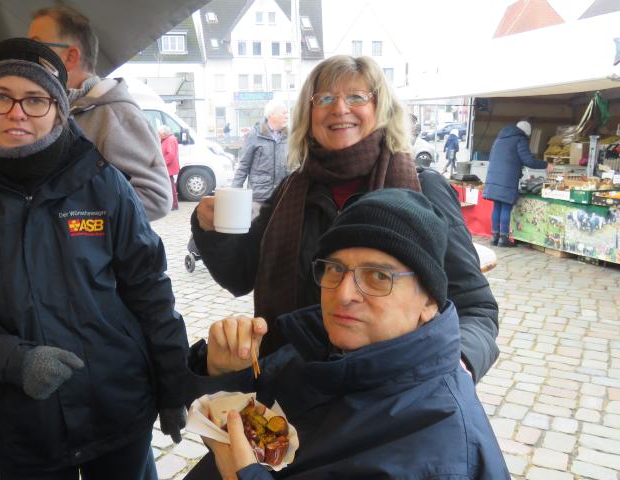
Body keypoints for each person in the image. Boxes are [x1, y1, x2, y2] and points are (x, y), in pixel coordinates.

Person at [0, 38, 189, 479]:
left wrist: (173, 386)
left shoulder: (103, 184)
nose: (17, 112)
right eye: (2, 96)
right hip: (25, 424)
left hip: (118, 407)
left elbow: (150, 290)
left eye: (35, 99)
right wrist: (13, 359)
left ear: (58, 109)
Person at [191, 55, 499, 384]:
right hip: (294, 387)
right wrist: (211, 231)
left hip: (386, 390)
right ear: (309, 114)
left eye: (356, 97)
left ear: (380, 108)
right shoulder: (291, 192)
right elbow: (239, 275)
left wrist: (459, 363)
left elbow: (475, 307)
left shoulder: (425, 189)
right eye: (325, 99)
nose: (339, 108)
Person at [186, 189, 509, 479]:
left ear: (429, 301)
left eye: (378, 276)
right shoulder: (314, 352)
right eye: (335, 269)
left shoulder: (445, 457)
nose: (343, 294)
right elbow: (244, 423)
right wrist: (225, 375)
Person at [28, 5, 172, 221]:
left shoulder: (116, 115)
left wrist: (60, 212)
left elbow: (155, 198)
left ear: (70, 57)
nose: (26, 54)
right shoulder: (52, 109)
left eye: (36, 46)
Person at [483, 120, 550, 248]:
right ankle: (503, 238)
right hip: (507, 178)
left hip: (493, 177)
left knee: (497, 206)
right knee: (506, 207)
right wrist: (546, 164)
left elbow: (492, 157)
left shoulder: (500, 138)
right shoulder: (520, 139)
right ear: (527, 133)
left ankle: (494, 237)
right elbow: (529, 161)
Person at [231, 100, 290, 215]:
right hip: (259, 198)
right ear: (271, 115)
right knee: (258, 226)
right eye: (284, 113)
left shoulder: (290, 136)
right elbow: (243, 166)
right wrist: (234, 194)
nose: (287, 116)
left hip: (283, 197)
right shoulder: (255, 134)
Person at [159, 125, 180, 211]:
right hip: (167, 167)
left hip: (168, 167)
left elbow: (170, 155)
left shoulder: (170, 140)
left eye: (159, 134)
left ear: (164, 134)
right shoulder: (167, 139)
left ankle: (174, 205)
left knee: (170, 186)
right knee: (169, 185)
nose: (158, 135)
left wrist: (162, 163)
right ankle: (171, 204)